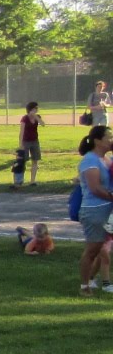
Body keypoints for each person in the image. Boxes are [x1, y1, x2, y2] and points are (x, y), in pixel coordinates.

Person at [75, 125, 113, 295]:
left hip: (108, 210)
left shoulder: (107, 159)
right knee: (93, 250)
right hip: (94, 210)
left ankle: (92, 279)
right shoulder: (90, 160)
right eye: (108, 137)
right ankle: (85, 286)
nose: (111, 140)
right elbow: (95, 188)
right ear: (98, 141)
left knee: (103, 249)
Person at [18, 101, 45, 185]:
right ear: (30, 109)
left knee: (35, 160)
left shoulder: (37, 117)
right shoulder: (25, 118)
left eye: (37, 108)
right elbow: (21, 131)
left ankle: (32, 181)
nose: (37, 109)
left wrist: (36, 116)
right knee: (23, 161)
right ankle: (20, 180)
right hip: (26, 142)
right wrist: (20, 144)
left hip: (35, 141)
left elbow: (43, 124)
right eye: (35, 108)